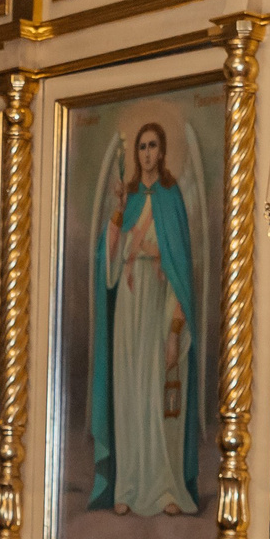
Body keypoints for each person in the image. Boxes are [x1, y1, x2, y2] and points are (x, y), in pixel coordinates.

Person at [90, 124, 200, 517]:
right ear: (136, 154)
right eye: (142, 147)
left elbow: (181, 270)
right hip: (129, 309)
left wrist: (175, 329)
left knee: (157, 394)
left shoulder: (171, 199)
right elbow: (108, 263)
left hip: (159, 305)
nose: (148, 153)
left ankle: (166, 487)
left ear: (163, 151)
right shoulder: (130, 198)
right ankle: (129, 485)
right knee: (130, 394)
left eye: (154, 146)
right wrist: (118, 213)